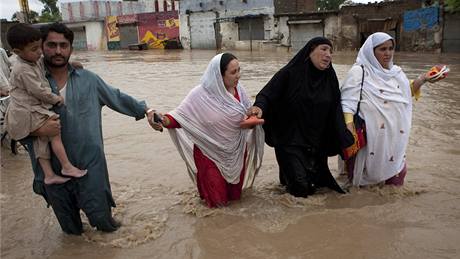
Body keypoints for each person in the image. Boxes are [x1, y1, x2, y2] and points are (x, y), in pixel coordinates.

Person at [21, 22, 157, 234]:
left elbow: (117, 97)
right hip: (51, 171)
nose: (58, 51)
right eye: (52, 45)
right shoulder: (28, 82)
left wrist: (147, 110)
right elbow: (13, 126)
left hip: (90, 167)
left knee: (106, 225)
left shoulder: (88, 80)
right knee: (71, 232)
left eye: (63, 45)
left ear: (71, 49)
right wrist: (38, 130)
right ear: (41, 47)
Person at [152, 53, 264, 208]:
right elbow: (180, 117)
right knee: (218, 205)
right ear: (219, 75)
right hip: (209, 155)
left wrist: (253, 116)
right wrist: (162, 119)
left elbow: (246, 115)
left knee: (235, 199)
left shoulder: (239, 91)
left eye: (239, 70)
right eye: (233, 72)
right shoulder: (199, 95)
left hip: (236, 152)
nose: (238, 76)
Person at [246, 37, 353, 198]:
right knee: (300, 189)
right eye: (324, 49)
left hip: (316, 143)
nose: (328, 55)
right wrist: (258, 107)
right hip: (289, 140)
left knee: (319, 188)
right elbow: (267, 94)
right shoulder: (289, 73)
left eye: (331, 52)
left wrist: (344, 135)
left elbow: (336, 108)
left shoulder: (329, 78)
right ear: (310, 51)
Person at [340, 32, 434, 186]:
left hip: (393, 137)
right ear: (371, 51)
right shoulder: (359, 71)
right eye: (382, 49)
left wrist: (423, 79)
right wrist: (349, 128)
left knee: (397, 175)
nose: (388, 53)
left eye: (391, 48)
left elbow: (404, 93)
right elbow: (347, 102)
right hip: (368, 138)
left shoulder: (396, 73)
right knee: (363, 180)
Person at [5, 24, 87, 184]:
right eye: (34, 49)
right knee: (54, 131)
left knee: (41, 140)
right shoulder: (22, 69)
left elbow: (45, 62)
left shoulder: (32, 60)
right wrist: (55, 98)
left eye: (39, 47)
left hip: (30, 110)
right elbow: (38, 90)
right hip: (26, 111)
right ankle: (66, 166)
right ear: (17, 52)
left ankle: (49, 175)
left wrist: (73, 64)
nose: (39, 52)